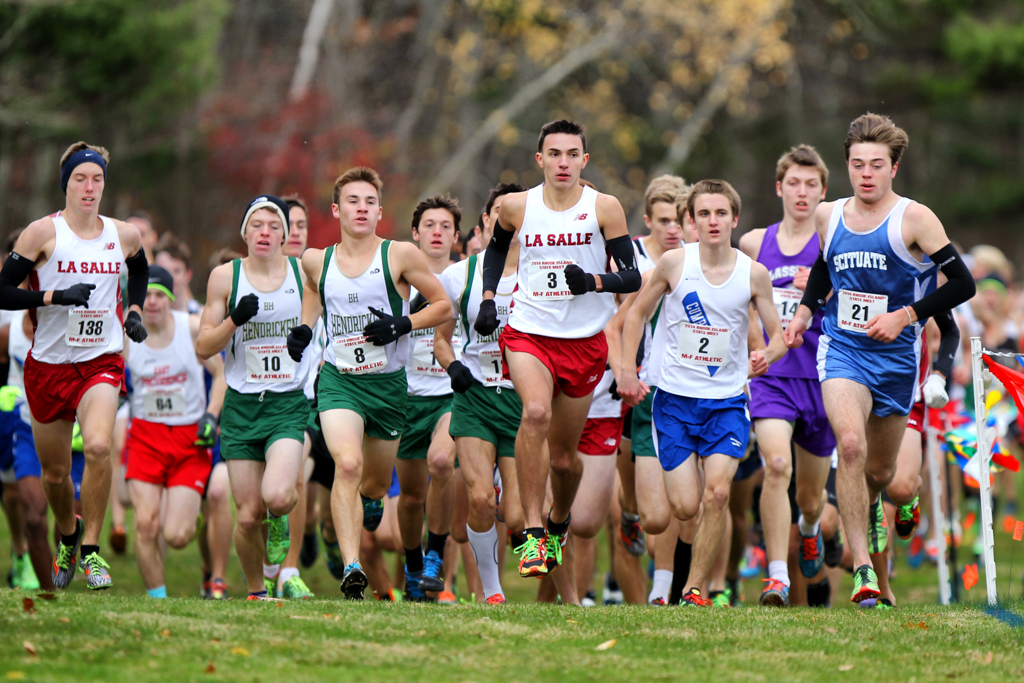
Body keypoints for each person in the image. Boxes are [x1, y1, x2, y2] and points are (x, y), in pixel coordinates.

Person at [784, 113, 976, 602]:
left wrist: (906, 316)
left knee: (883, 476)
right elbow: (826, 269)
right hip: (843, 349)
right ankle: (864, 570)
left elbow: (963, 284)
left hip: (896, 361)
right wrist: (806, 311)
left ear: (893, 168)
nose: (865, 173)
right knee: (849, 445)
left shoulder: (915, 218)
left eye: (875, 165)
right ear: (847, 167)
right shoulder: (829, 215)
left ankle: (885, 507)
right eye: (856, 164)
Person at [475, 120, 641, 578]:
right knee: (534, 414)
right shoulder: (515, 206)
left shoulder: (603, 208)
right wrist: (489, 299)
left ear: (584, 161)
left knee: (566, 461)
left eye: (572, 154)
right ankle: (532, 535)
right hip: (529, 331)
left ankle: (558, 520)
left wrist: (592, 281)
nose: (563, 162)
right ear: (540, 159)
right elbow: (495, 251)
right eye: (555, 153)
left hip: (584, 342)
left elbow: (633, 277)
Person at [619, 179, 787, 606]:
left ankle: (694, 589)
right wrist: (627, 370)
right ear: (691, 221)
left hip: (726, 403)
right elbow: (636, 315)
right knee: (684, 508)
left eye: (721, 213)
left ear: (735, 217)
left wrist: (764, 355)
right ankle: (676, 579)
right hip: (673, 401)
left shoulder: (754, 273)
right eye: (704, 214)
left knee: (717, 494)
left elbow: (778, 338)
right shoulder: (675, 264)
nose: (714, 221)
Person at [286, 167, 452, 599]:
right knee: (347, 465)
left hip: (388, 386)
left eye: (369, 202)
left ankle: (372, 501)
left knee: (374, 484)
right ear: (337, 210)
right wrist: (307, 327)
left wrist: (403, 324)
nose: (361, 209)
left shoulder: (399, 256)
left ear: (379, 211)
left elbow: (442, 306)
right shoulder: (315, 259)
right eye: (352, 201)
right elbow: (311, 287)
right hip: (339, 380)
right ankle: (352, 566)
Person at [0, 142, 150, 590]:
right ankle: (67, 533)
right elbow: (3, 291)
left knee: (101, 447)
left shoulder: (123, 235)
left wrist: (135, 313)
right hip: (48, 365)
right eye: (80, 178)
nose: (89, 187)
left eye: (97, 179)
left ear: (105, 183)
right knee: (55, 473)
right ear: (65, 182)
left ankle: (90, 550)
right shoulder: (41, 233)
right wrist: (52, 297)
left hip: (100, 358)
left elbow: (139, 270)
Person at [197, 195, 312, 601]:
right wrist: (233, 320)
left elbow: (321, 314)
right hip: (242, 405)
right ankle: (256, 592)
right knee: (246, 516)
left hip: (285, 401)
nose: (265, 232)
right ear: (245, 232)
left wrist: (306, 333)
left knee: (277, 496)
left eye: (273, 225)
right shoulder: (224, 278)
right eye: (257, 225)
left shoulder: (302, 273)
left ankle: (280, 519)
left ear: (285, 234)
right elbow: (203, 348)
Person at [737, 145, 835, 606]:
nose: (801, 192)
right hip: (774, 377)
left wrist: (821, 295)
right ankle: (776, 576)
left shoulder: (835, 242)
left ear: (823, 191)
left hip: (823, 378)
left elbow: (860, 307)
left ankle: (812, 530)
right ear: (779, 187)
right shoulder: (755, 243)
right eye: (793, 183)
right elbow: (735, 308)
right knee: (776, 465)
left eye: (811, 184)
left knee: (811, 499)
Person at [435, 182, 526, 604]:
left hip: (523, 400)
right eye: (497, 212)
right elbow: (440, 339)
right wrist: (454, 368)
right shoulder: (460, 275)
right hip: (474, 396)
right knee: (479, 497)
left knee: (516, 515)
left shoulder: (540, 276)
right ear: (488, 221)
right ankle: (492, 591)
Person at [124, 266, 226, 599]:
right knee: (145, 524)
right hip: (145, 437)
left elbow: (222, 375)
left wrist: (212, 416)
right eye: (146, 295)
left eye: (159, 295)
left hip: (188, 439)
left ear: (170, 299)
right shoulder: (125, 337)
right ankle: (158, 598)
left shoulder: (192, 329)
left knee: (176, 536)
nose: (151, 302)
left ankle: (189, 513)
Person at [393, 194, 463, 600]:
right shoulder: (398, 279)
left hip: (450, 395)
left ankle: (435, 554)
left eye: (446, 227)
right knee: (411, 497)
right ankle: (413, 563)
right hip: (406, 396)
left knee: (441, 462)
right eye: (429, 226)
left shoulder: (466, 277)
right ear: (416, 234)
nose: (437, 233)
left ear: (456, 236)